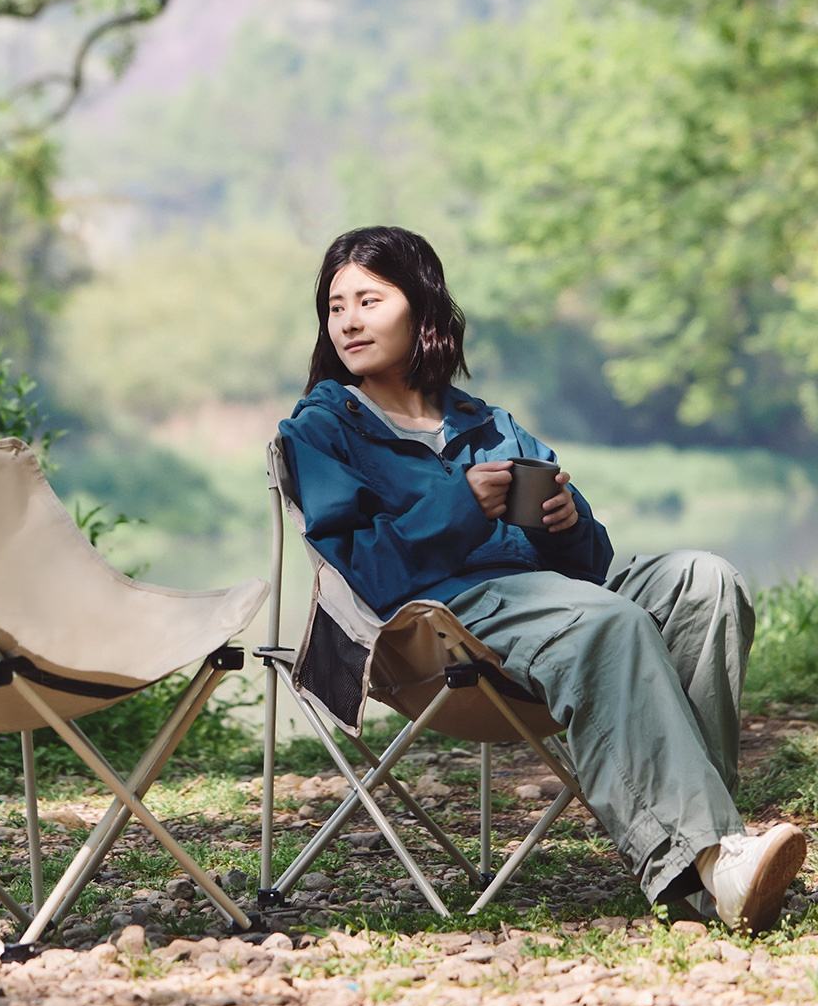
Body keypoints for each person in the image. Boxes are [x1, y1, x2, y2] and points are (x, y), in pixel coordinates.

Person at [278, 224, 806, 933]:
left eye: (368, 300)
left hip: (547, 600)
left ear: (423, 307)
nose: (348, 320)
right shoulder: (323, 429)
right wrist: (462, 505)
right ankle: (709, 858)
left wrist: (563, 521)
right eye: (336, 305)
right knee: (605, 621)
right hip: (437, 626)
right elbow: (364, 570)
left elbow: (589, 566)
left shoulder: (485, 422)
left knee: (703, 581)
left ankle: (712, 861)